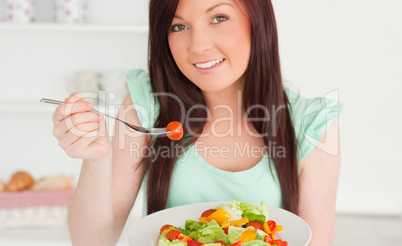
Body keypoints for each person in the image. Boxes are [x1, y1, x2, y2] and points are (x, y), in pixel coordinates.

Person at [51, 0, 343, 245]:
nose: (198, 46)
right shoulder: (147, 103)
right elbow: (92, 241)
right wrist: (96, 160)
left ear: (257, 20)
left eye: (219, 17)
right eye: (178, 26)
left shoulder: (311, 125)